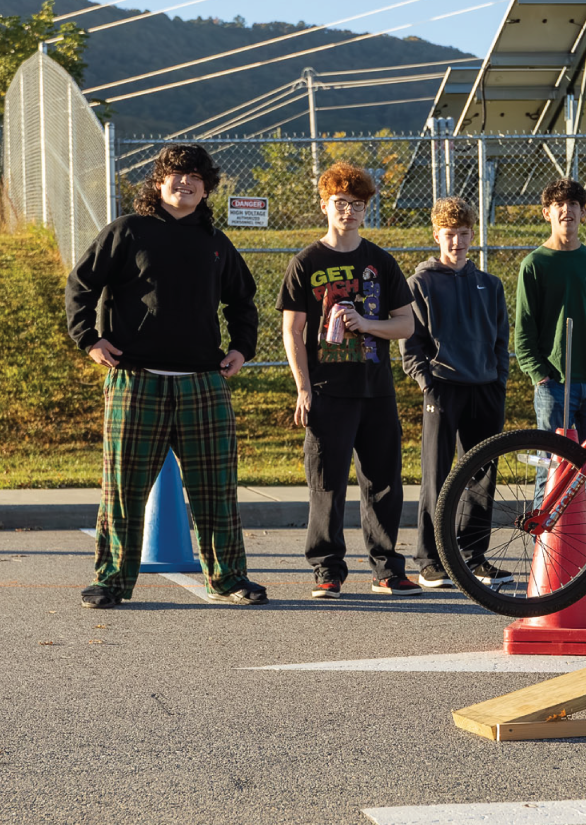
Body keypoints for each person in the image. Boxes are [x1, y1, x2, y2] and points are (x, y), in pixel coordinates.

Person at [65, 143, 266, 609]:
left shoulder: (215, 242)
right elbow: (81, 285)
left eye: (196, 177)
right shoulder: (128, 231)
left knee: (216, 486)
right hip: (136, 380)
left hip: (202, 382)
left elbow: (243, 301)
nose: (186, 182)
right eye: (176, 174)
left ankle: (229, 578)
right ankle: (111, 581)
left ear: (206, 188)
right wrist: (89, 339)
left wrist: (241, 348)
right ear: (158, 182)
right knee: (123, 486)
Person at [277, 161, 418, 599]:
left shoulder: (380, 261)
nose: (349, 212)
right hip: (327, 389)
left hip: (375, 388)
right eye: (341, 203)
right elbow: (293, 331)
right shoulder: (307, 262)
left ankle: (386, 569)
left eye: (357, 205)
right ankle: (327, 569)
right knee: (327, 481)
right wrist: (303, 387)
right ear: (325, 206)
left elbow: (405, 326)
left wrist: (366, 322)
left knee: (383, 481)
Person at [513, 177, 586, 582]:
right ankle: (548, 552)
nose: (567, 211)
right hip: (554, 385)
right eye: (558, 205)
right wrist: (541, 375)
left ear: (583, 212)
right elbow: (523, 332)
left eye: (574, 204)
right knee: (552, 469)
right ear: (547, 213)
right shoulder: (535, 265)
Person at [400, 197, 511, 589]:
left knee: (483, 474)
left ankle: (471, 555)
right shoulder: (419, 284)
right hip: (443, 389)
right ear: (436, 235)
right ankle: (430, 559)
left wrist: (499, 379)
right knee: (437, 475)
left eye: (464, 235)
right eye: (450, 235)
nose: (458, 243)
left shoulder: (489, 284)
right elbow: (410, 344)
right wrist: (427, 383)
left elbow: (501, 339)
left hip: (485, 389)